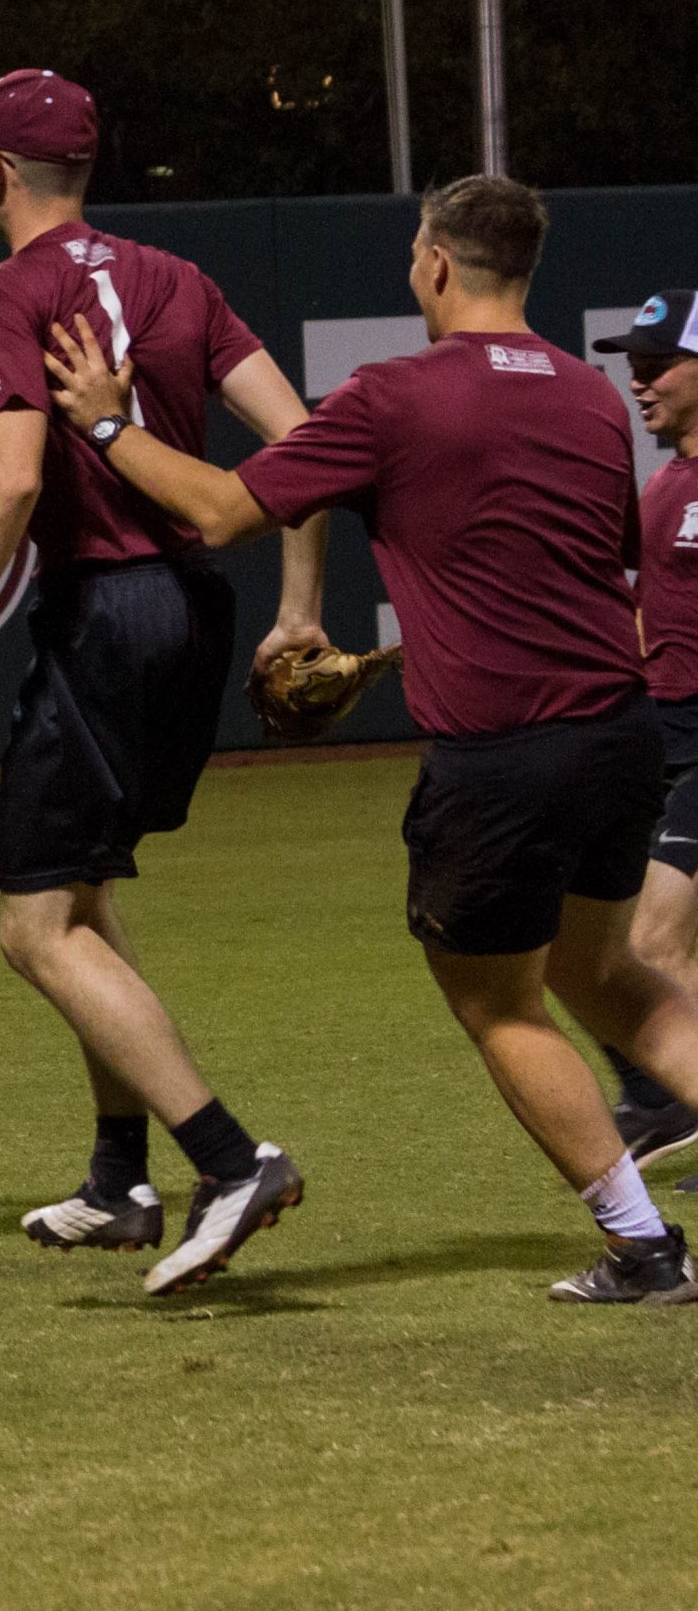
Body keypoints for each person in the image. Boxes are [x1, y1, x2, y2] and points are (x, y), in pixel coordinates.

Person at [43, 175, 698, 1303]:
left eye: (412, 256)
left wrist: (107, 420)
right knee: (608, 972)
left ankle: (643, 1246)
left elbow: (219, 509)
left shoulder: (395, 394)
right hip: (622, 735)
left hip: (503, 758)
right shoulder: (589, 400)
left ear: (436, 264)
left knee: (499, 1002)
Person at [0, 70, 320, 1297]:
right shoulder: (177, 278)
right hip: (196, 604)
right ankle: (116, 1178)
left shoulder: (2, 288)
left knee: (31, 928)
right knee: (78, 888)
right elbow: (299, 447)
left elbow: (17, 477)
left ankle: (229, 1157)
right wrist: (298, 608)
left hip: (106, 611)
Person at [585, 289, 698, 1185]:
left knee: (651, 948)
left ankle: (668, 1099)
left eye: (659, 363)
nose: (639, 378)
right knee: (588, 941)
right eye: (635, 360)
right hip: (657, 739)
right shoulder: (665, 484)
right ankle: (660, 1097)